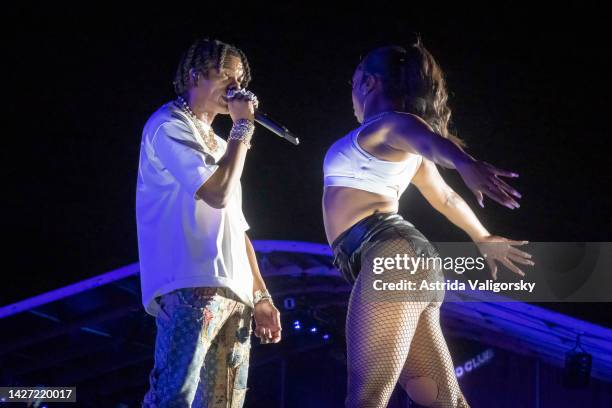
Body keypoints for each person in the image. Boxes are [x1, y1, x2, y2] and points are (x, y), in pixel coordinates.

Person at [323, 38, 533, 407]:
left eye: (354, 83)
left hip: (389, 254)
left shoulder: (391, 125)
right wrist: (482, 236)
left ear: (369, 82)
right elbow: (444, 196)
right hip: (404, 262)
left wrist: (466, 164)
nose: (351, 95)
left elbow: (431, 141)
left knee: (365, 396)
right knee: (443, 402)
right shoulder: (398, 141)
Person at [136, 38, 281, 407]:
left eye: (239, 80)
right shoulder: (167, 124)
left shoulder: (222, 144)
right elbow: (215, 193)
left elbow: (237, 226)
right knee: (174, 397)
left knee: (224, 402)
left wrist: (261, 295)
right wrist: (243, 129)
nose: (235, 88)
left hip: (237, 295)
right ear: (194, 75)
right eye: (224, 77)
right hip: (191, 285)